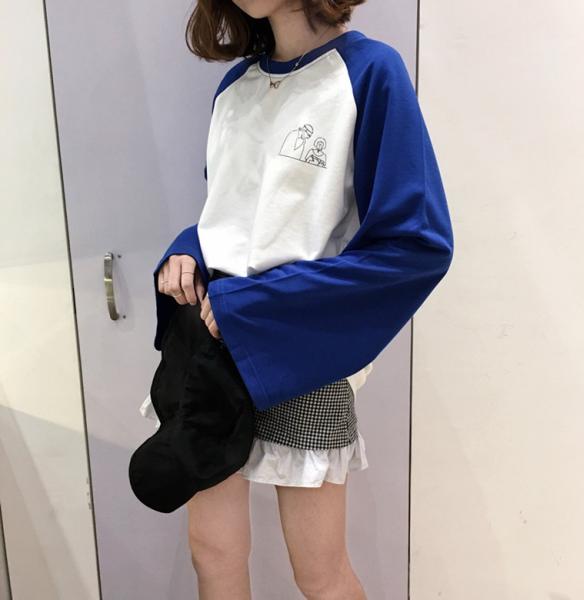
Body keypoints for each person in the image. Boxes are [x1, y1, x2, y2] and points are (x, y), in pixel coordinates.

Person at [141, 1, 454, 598]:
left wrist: (258, 303)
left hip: (302, 356)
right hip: (206, 347)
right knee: (213, 554)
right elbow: (234, 217)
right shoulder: (235, 87)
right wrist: (188, 250)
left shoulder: (369, 72)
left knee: (320, 574)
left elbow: (416, 245)